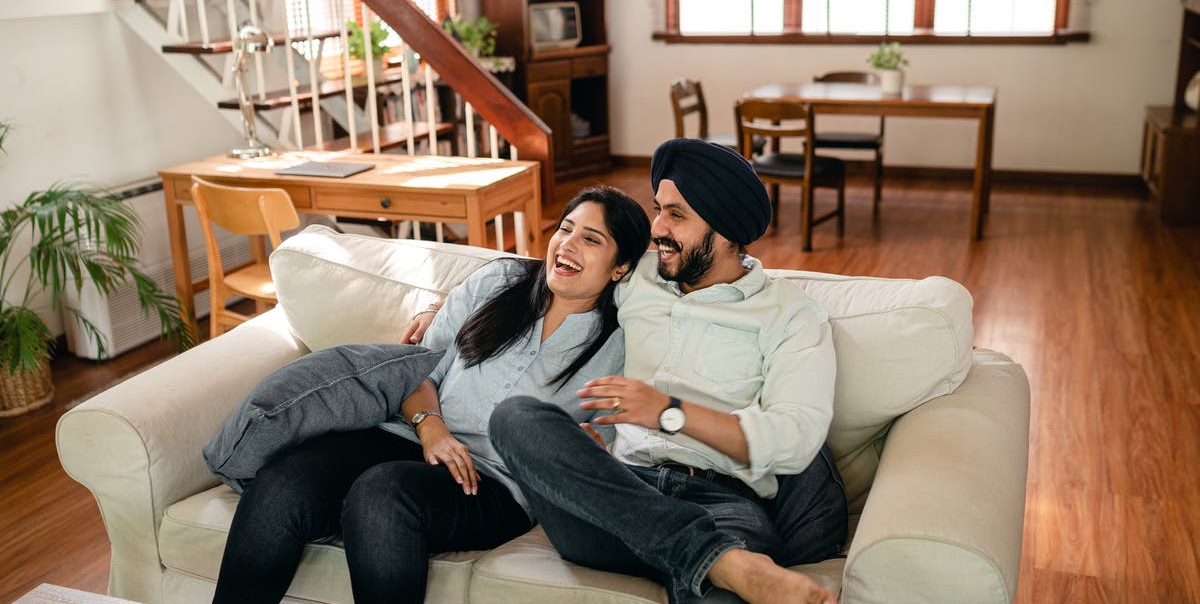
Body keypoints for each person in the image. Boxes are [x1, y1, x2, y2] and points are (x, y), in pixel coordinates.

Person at [407, 138, 846, 603]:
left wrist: (669, 413)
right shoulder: (640, 277)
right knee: (517, 417)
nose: (657, 227)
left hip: (722, 506)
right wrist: (444, 309)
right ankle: (718, 562)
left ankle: (712, 559)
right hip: (612, 495)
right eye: (658, 209)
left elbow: (796, 440)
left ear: (727, 229)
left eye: (676, 215)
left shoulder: (791, 316)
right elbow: (557, 269)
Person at [211, 186, 651, 604]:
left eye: (591, 239)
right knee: (283, 481)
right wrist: (431, 428)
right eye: (565, 228)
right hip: (409, 435)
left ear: (621, 268)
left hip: (496, 483)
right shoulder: (500, 281)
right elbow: (419, 371)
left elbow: (602, 444)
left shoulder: (623, 341)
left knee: (381, 493)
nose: (568, 244)